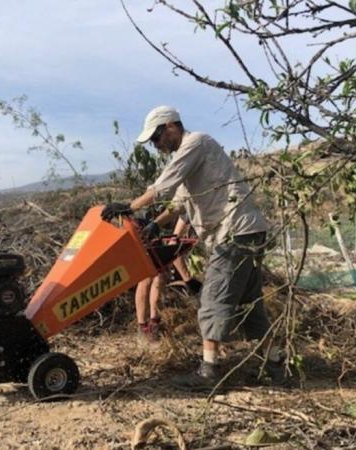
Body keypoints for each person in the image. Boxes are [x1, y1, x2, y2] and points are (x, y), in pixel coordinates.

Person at [101, 106, 282, 387]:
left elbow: (165, 184)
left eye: (157, 137)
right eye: (152, 141)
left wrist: (128, 206)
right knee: (249, 304)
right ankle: (276, 364)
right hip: (246, 231)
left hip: (233, 232)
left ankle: (209, 371)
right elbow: (179, 203)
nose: (156, 145)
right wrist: (155, 224)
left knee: (211, 300)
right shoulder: (196, 159)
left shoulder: (195, 143)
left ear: (172, 126)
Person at [134, 214, 201, 343]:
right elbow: (174, 244)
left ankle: (154, 322)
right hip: (147, 226)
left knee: (159, 276)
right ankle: (142, 325)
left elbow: (174, 245)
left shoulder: (190, 215)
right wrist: (187, 279)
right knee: (146, 276)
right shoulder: (184, 209)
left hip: (160, 231)